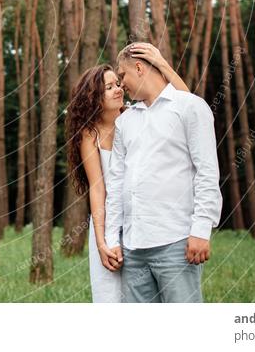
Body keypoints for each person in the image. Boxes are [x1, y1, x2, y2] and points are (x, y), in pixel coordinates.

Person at [65, 43, 189, 303]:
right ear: (93, 97)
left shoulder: (135, 117)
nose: (119, 89)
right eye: (109, 87)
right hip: (108, 227)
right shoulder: (90, 135)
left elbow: (187, 102)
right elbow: (98, 190)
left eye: (118, 83)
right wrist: (101, 242)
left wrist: (162, 63)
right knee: (110, 299)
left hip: (143, 222)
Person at [103, 44, 223, 303]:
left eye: (122, 77)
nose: (121, 86)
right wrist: (113, 238)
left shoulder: (189, 107)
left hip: (176, 242)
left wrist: (201, 230)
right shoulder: (125, 121)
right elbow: (116, 183)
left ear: (139, 67)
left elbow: (207, 171)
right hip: (133, 249)